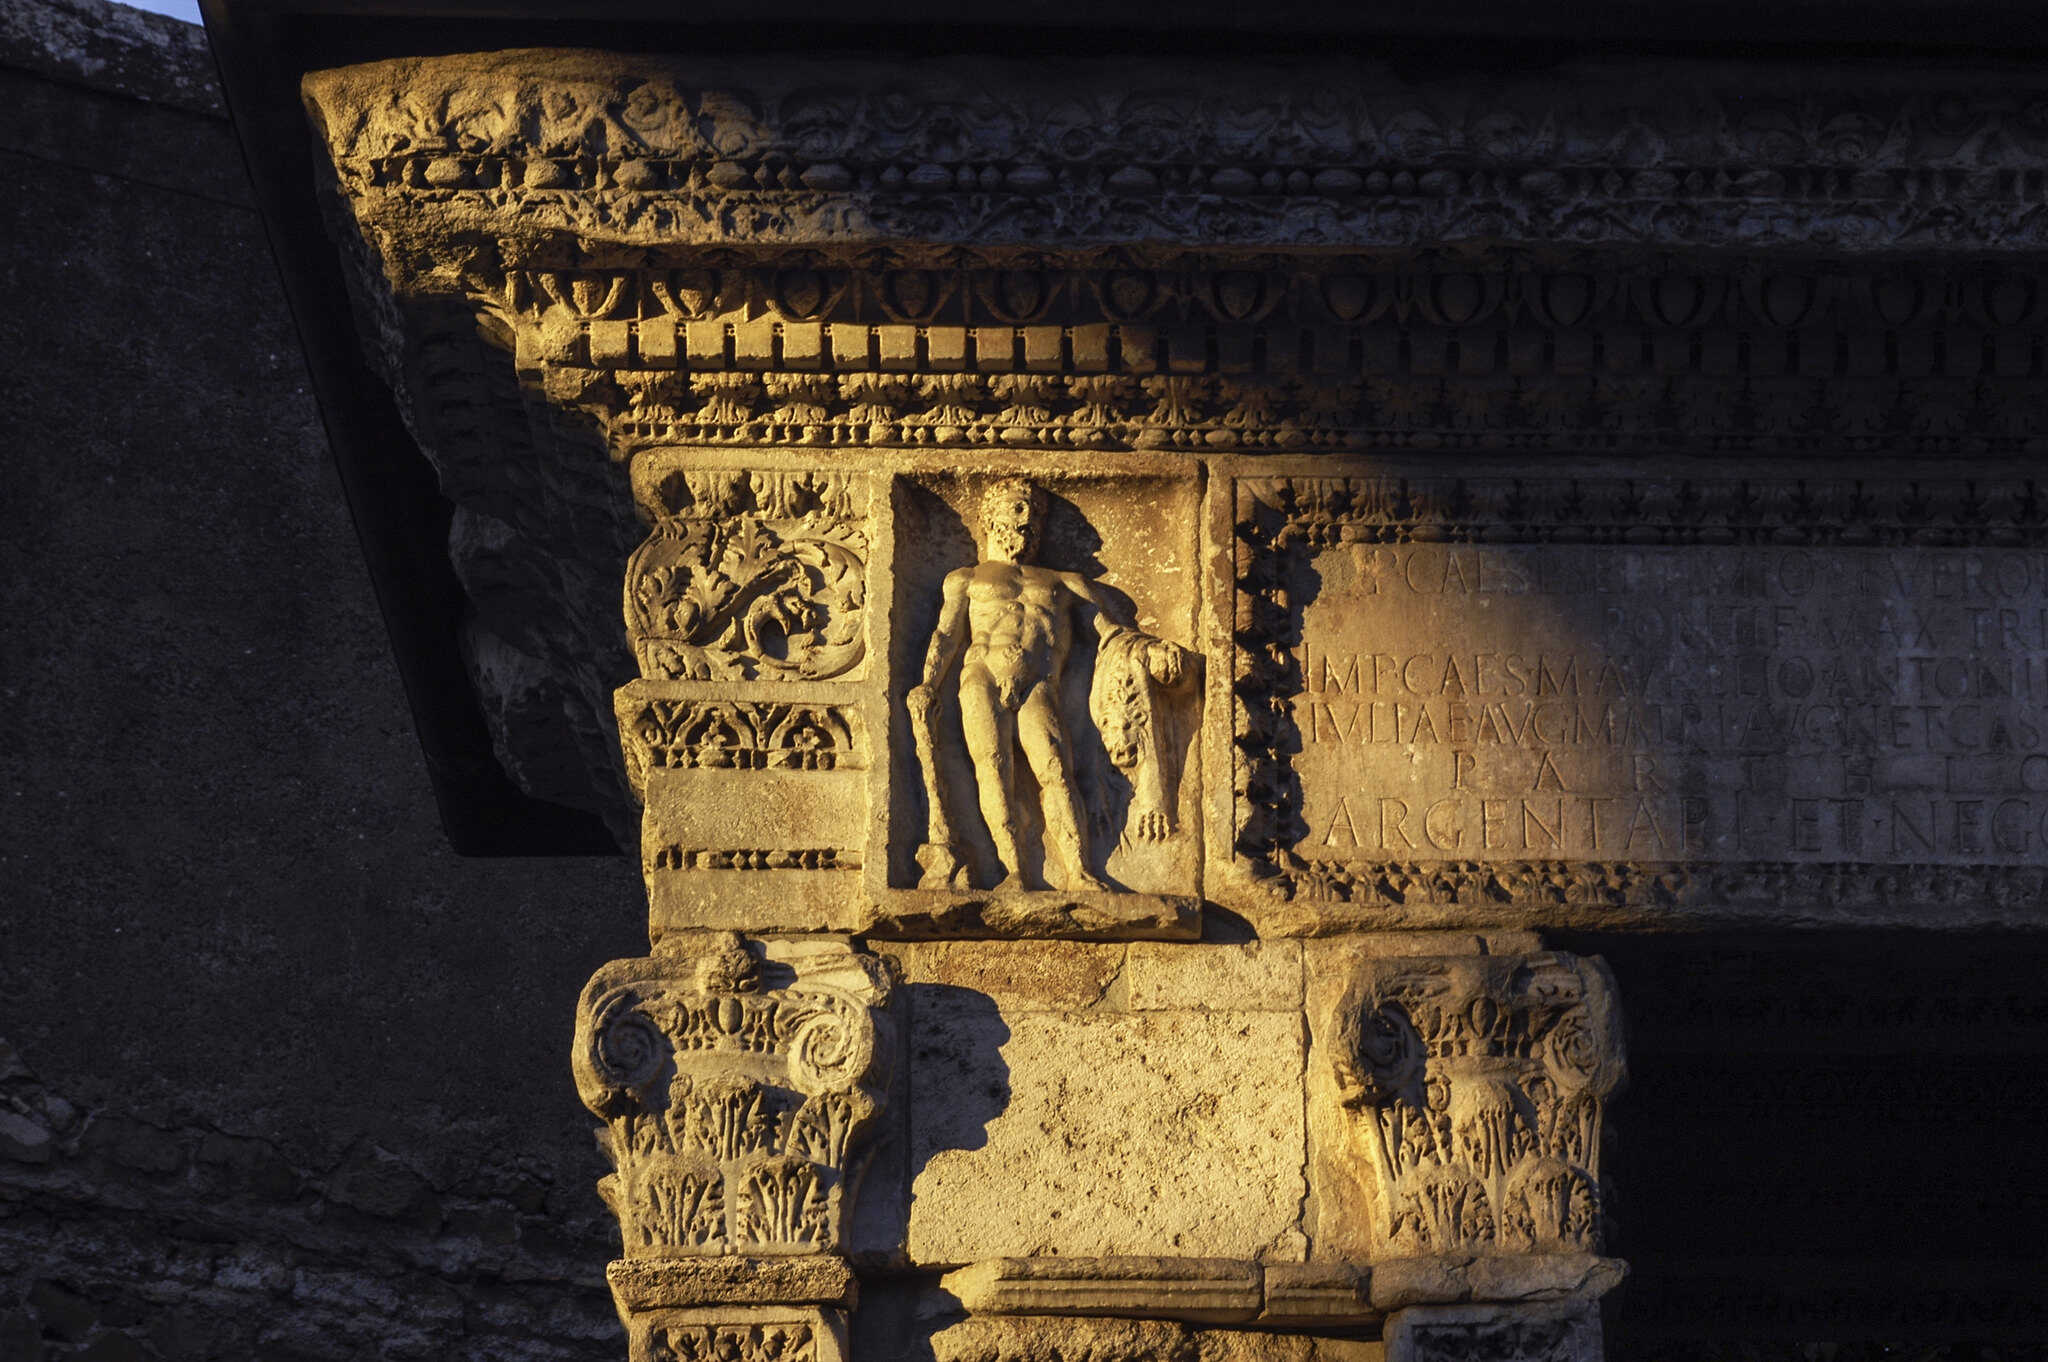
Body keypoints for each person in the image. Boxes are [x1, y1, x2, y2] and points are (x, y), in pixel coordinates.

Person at [908, 479, 1182, 891]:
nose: (1027, 521)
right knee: (993, 769)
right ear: (990, 517)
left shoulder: (1065, 582)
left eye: (1035, 515)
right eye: (1018, 509)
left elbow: (1111, 634)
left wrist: (1152, 650)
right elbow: (946, 636)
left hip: (1039, 682)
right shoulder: (965, 579)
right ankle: (1014, 871)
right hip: (981, 674)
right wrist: (928, 683)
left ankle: (1079, 870)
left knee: (1055, 768)